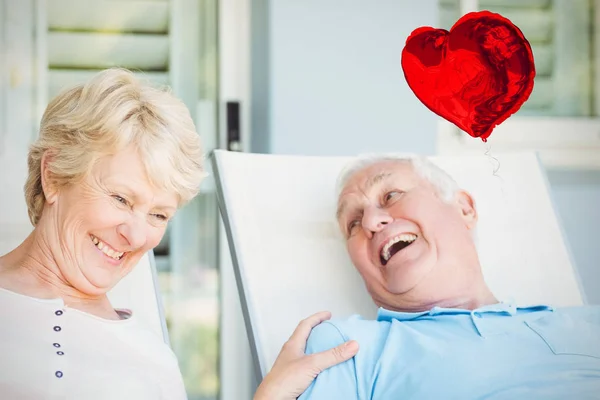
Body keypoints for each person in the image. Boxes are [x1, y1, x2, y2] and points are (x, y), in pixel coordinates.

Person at [0, 68, 357, 400]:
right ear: (54, 176)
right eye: (121, 198)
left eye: (158, 214)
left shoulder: (153, 361)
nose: (136, 235)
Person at [299, 154, 600, 399]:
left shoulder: (589, 323)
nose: (371, 222)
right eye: (353, 223)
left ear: (464, 208)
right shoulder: (348, 349)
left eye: (391, 195)